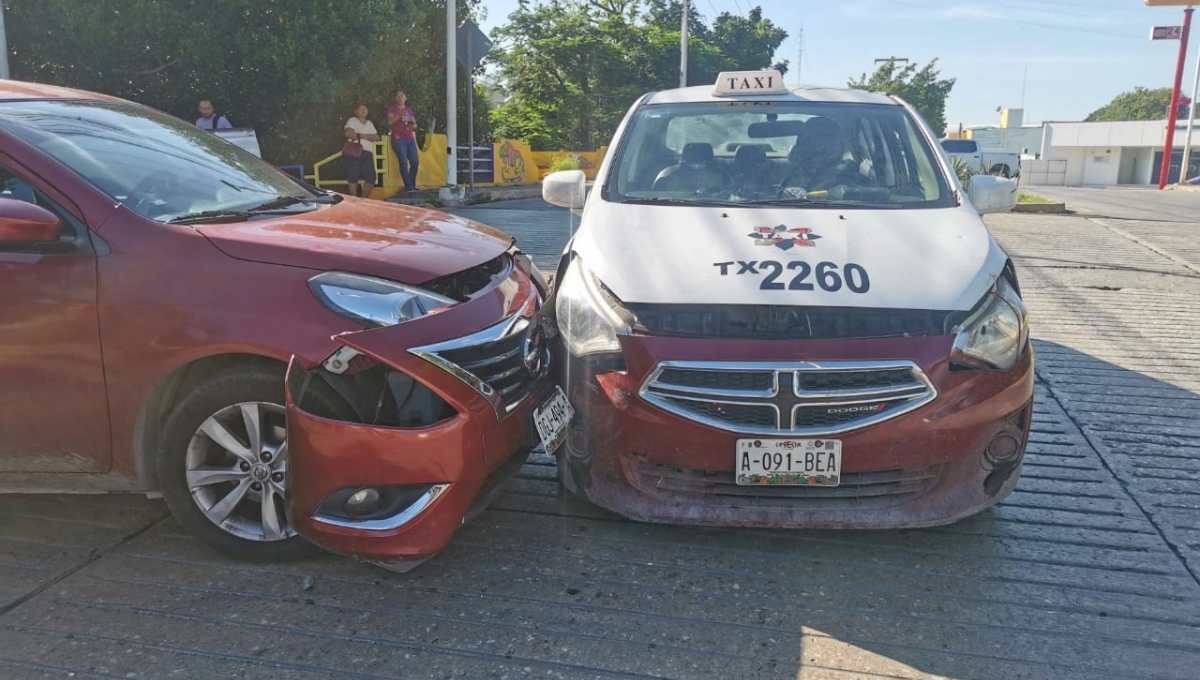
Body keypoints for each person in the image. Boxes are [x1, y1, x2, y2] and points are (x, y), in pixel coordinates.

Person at [386, 89, 420, 192]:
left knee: (415, 162)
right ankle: (409, 186)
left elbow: (415, 124)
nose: (400, 98)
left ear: (405, 98)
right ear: (395, 98)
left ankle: (411, 184)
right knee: (403, 162)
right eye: (398, 96)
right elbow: (389, 122)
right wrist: (399, 115)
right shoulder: (392, 109)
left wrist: (413, 126)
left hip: (410, 138)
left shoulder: (409, 110)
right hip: (398, 138)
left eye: (402, 96)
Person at [344, 103, 380, 198]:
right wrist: (366, 136)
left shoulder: (370, 123)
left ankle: (363, 200)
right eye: (361, 109)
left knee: (371, 177)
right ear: (356, 111)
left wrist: (358, 135)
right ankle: (354, 199)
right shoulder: (352, 120)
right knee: (353, 176)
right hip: (354, 151)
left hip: (367, 152)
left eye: (365, 108)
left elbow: (376, 137)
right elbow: (348, 134)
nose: (363, 110)